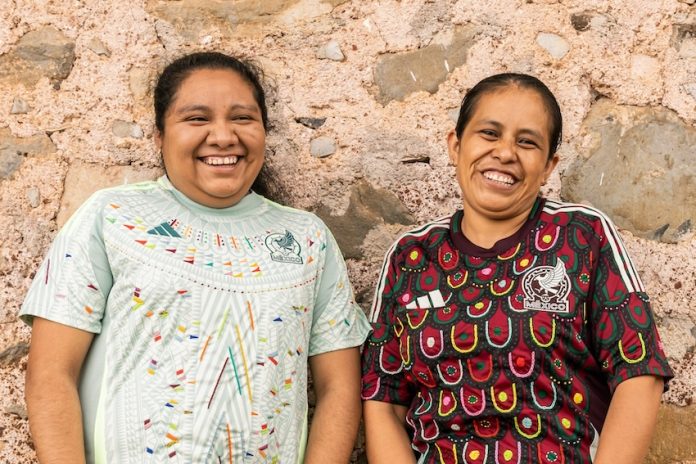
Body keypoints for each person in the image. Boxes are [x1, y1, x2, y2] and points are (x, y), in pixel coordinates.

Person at [22, 51, 371, 463]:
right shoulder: (111, 218)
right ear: (159, 135)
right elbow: (51, 374)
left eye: (242, 118)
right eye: (197, 118)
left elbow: (339, 390)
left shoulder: (306, 239)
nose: (223, 136)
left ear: (263, 130)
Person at [360, 73, 673, 464]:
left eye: (527, 142)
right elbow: (383, 399)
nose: (505, 152)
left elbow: (639, 370)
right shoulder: (410, 256)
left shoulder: (582, 236)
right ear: (455, 146)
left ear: (548, 166)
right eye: (489, 134)